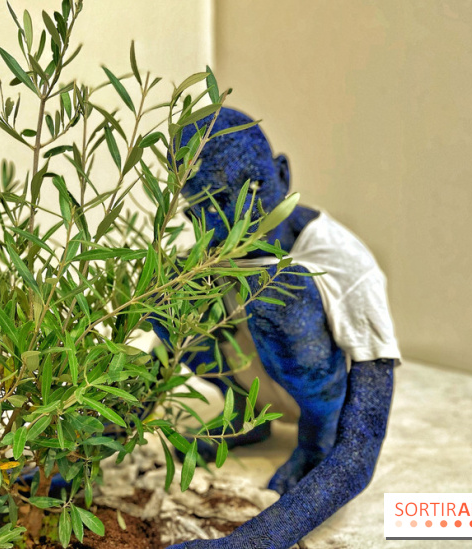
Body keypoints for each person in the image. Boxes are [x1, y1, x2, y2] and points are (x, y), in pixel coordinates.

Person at [156, 108, 400, 549]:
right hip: (252, 383)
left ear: (283, 175)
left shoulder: (342, 262)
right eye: (210, 203)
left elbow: (362, 444)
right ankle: (246, 418)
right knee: (164, 294)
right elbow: (155, 362)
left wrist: (248, 543)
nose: (241, 215)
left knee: (279, 292)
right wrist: (78, 452)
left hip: (321, 403)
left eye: (254, 188)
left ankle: (313, 441)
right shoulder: (206, 253)